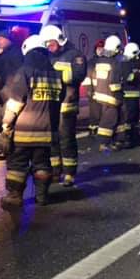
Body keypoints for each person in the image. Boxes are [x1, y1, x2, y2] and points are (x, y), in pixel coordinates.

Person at [0, 34, 62, 209]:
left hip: (24, 131)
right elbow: (59, 100)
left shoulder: (25, 71)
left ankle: (14, 196)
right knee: (42, 164)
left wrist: (6, 125)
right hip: (47, 131)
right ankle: (42, 196)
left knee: (17, 165)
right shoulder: (56, 75)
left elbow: (16, 102)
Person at [41, 25, 87, 187]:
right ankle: (55, 171)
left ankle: (69, 173)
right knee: (52, 139)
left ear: (59, 40)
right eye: (46, 43)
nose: (49, 46)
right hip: (50, 103)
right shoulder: (45, 56)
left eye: (51, 43)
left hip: (67, 103)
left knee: (66, 139)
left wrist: (54, 75)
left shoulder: (75, 55)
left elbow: (78, 75)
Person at [0, 29, 24, 159]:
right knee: (5, 122)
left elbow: (12, 72)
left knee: (8, 122)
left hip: (11, 93)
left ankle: (8, 150)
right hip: (4, 92)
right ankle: (5, 149)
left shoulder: (15, 53)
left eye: (1, 39)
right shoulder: (4, 53)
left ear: (8, 39)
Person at [92, 35, 124, 149]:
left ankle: (117, 140)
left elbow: (95, 77)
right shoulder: (114, 63)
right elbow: (115, 82)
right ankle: (103, 142)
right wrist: (119, 96)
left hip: (100, 94)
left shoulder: (99, 61)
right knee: (110, 119)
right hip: (111, 96)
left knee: (116, 117)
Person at [116, 41, 140, 148]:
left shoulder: (133, 62)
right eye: (136, 54)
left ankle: (134, 135)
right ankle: (128, 138)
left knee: (135, 117)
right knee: (129, 117)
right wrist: (137, 74)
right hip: (128, 95)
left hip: (134, 95)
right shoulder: (125, 64)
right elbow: (128, 78)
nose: (137, 56)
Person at [86, 38, 106, 134]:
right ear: (95, 50)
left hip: (104, 90)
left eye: (102, 49)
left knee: (104, 111)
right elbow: (88, 78)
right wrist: (89, 90)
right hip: (94, 90)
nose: (100, 50)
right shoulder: (91, 62)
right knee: (94, 111)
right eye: (99, 49)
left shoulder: (107, 61)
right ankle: (93, 128)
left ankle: (101, 128)